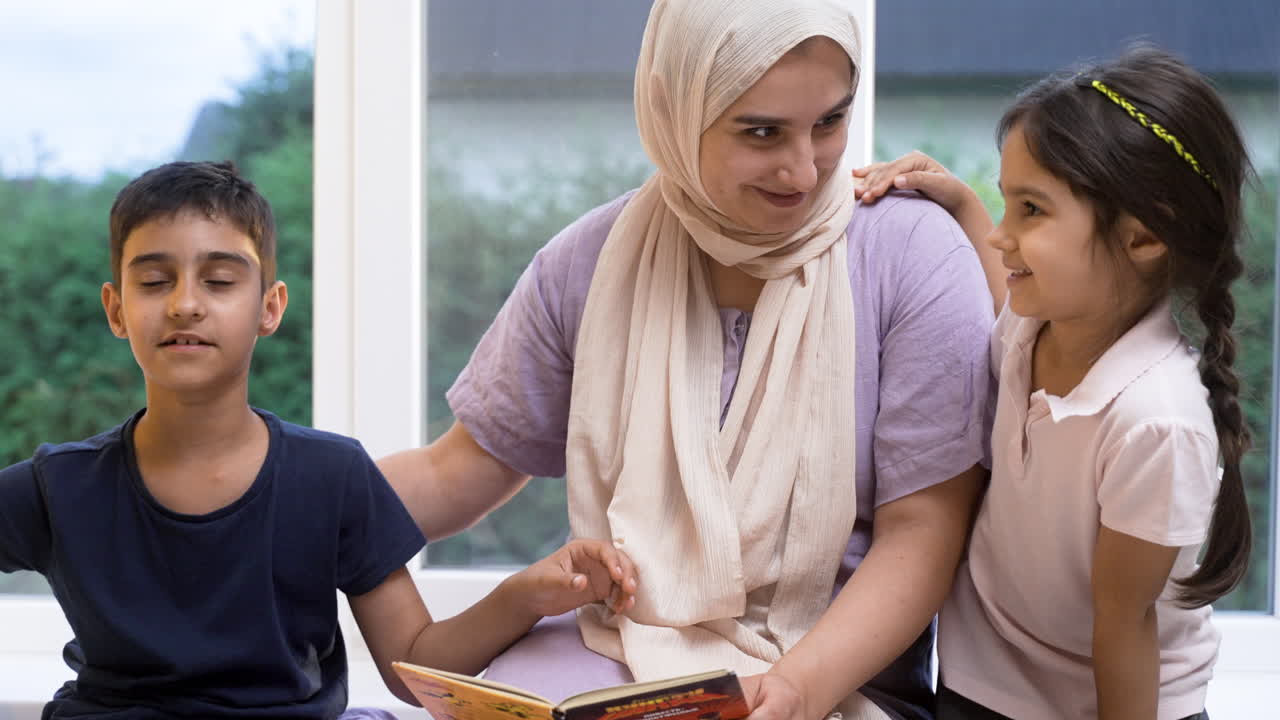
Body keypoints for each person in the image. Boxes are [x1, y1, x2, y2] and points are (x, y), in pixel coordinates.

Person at [379, 2, 993, 719]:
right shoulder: (587, 263)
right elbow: (455, 473)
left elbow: (925, 533)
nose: (804, 168)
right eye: (761, 132)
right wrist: (275, 488)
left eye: (829, 121)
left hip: (832, 675)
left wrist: (797, 688)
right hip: (605, 648)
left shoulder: (915, 257)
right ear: (673, 111)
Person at [0, 161, 638, 720]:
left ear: (270, 307)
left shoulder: (332, 477)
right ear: (116, 309)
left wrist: (524, 597)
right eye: (155, 281)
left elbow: (412, 667)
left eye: (219, 281)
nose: (185, 304)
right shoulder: (58, 487)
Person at [855, 45, 1252, 720]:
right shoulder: (1038, 324)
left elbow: (1125, 631)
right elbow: (1000, 287)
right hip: (982, 683)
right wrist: (958, 203)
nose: (1004, 235)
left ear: (1144, 236)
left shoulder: (1155, 421)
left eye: (1030, 210)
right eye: (1005, 205)